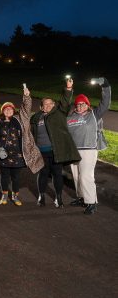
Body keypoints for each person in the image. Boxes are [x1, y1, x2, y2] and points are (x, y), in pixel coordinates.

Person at [0, 87, 44, 206]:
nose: (8, 110)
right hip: (2, 154)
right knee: (4, 177)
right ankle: (4, 195)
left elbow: (26, 108)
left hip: (18, 154)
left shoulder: (20, 119)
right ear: (2, 111)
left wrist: (27, 97)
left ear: (13, 110)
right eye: (5, 109)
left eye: (10, 109)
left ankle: (15, 196)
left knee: (16, 177)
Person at [30, 78, 81, 208]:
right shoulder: (36, 118)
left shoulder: (59, 113)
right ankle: (41, 196)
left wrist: (68, 88)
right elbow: (30, 133)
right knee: (43, 173)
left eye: (50, 104)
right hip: (41, 152)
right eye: (44, 104)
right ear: (41, 107)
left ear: (53, 105)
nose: (47, 106)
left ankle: (58, 197)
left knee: (57, 174)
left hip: (55, 151)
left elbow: (64, 102)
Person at [66, 78, 111, 214]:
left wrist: (105, 85)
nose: (80, 106)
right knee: (76, 176)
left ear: (87, 105)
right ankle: (82, 197)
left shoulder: (94, 114)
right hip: (73, 151)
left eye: (82, 104)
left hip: (88, 150)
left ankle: (91, 202)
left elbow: (106, 103)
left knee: (86, 176)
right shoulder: (70, 117)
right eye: (78, 105)